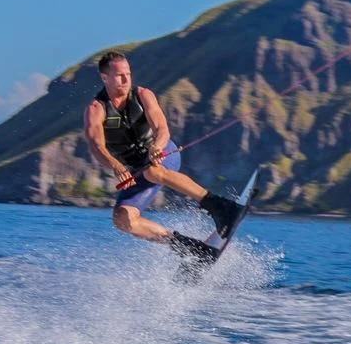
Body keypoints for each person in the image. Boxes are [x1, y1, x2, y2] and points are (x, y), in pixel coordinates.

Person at [84, 50, 241, 263]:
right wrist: (115, 165)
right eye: (120, 75)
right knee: (123, 219)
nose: (126, 79)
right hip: (136, 170)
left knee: (153, 170)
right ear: (105, 78)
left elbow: (162, 127)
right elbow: (96, 145)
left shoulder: (142, 95)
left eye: (128, 73)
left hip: (163, 155)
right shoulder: (97, 109)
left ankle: (220, 207)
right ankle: (187, 246)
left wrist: (156, 147)